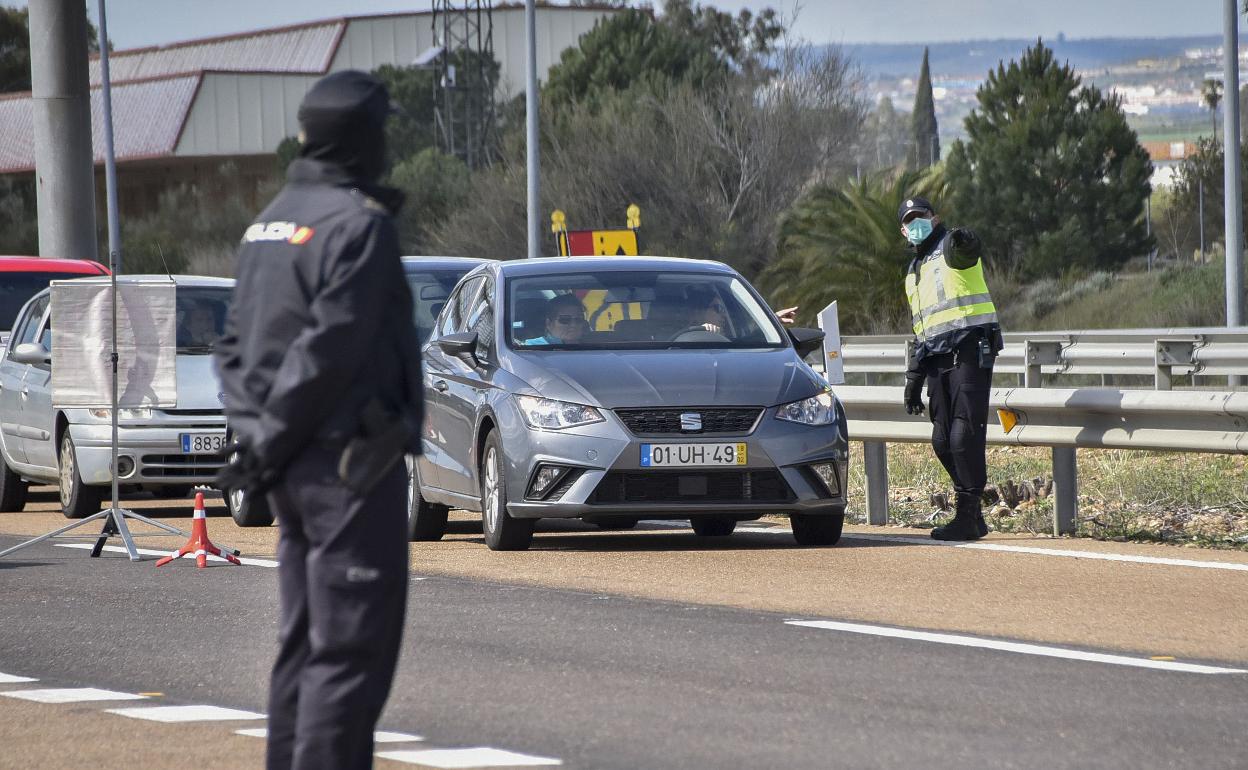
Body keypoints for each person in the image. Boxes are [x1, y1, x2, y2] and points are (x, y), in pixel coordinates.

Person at [213, 70, 423, 770]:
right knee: (347, 659)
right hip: (347, 473)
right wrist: (269, 442)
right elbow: (327, 352)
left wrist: (257, 447)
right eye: (382, 130)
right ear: (360, 138)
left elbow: (234, 349)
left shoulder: (265, 225)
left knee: (304, 648)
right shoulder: (357, 226)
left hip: (291, 470)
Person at [898, 196, 1001, 542]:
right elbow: (921, 329)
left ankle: (968, 514)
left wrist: (964, 238)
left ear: (934, 217)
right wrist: (913, 378)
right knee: (942, 441)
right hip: (935, 361)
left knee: (962, 436)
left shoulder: (950, 246)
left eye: (921, 216)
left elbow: (968, 248)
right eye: (909, 220)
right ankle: (972, 511)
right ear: (902, 231)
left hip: (969, 351)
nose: (916, 224)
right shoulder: (912, 272)